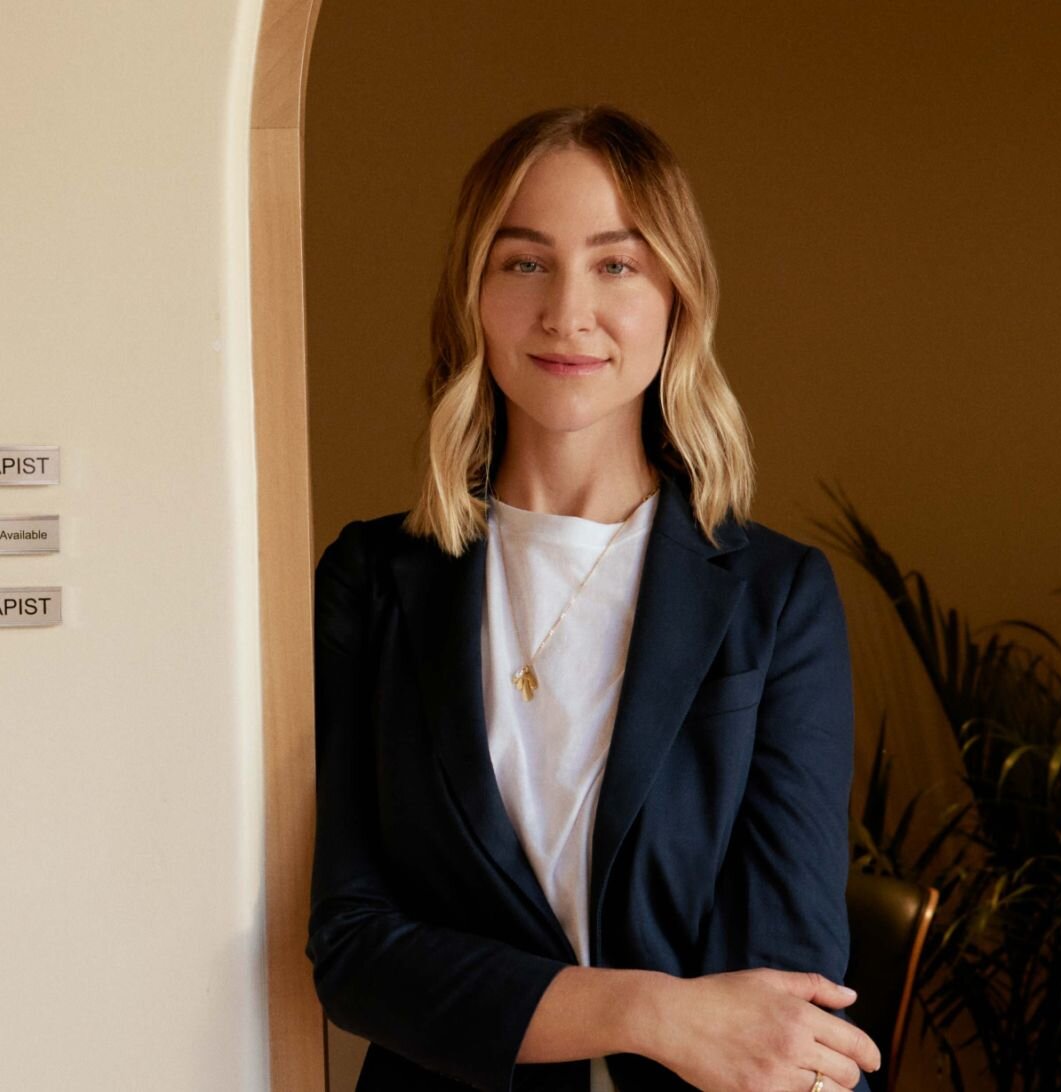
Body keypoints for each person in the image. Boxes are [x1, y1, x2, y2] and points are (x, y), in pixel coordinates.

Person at [308, 104, 879, 1092]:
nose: (567, 314)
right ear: (471, 294)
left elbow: (784, 995)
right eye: (523, 262)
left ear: (676, 298)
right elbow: (357, 952)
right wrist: (644, 1010)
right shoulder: (370, 583)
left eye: (617, 264)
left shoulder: (775, 598)